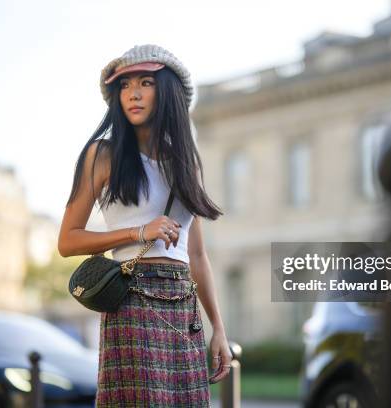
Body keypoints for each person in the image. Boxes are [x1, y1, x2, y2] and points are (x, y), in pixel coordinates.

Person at [58, 44, 232, 407]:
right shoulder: (102, 155)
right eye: (124, 85)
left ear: (166, 91)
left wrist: (218, 328)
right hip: (132, 300)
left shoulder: (184, 162)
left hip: (183, 307)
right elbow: (68, 241)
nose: (133, 93)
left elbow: (197, 255)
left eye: (146, 82)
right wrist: (139, 232)